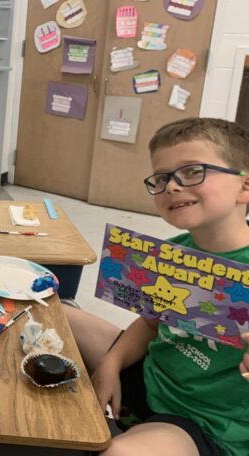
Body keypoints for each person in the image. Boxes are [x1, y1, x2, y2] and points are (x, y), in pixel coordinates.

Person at [65, 118, 249, 456]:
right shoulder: (176, 249)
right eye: (161, 178)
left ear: (244, 186)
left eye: (193, 171)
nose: (172, 187)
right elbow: (152, 321)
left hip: (205, 423)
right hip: (153, 377)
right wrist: (110, 363)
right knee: (57, 313)